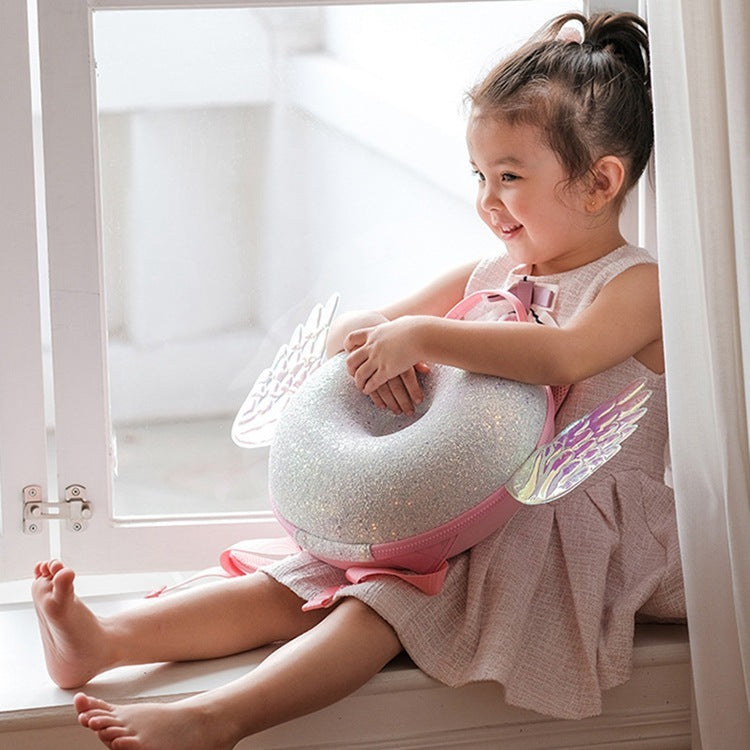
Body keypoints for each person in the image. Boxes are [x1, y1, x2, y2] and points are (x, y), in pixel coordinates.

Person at [32, 11, 684, 749]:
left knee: (383, 604)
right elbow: (357, 332)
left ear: (600, 182)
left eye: (510, 176)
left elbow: (565, 358)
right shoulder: (491, 273)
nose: (487, 199)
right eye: (479, 174)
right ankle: (107, 639)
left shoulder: (635, 284)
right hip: (470, 506)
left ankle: (216, 718)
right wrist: (377, 356)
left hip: (557, 520)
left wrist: (429, 338)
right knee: (298, 580)